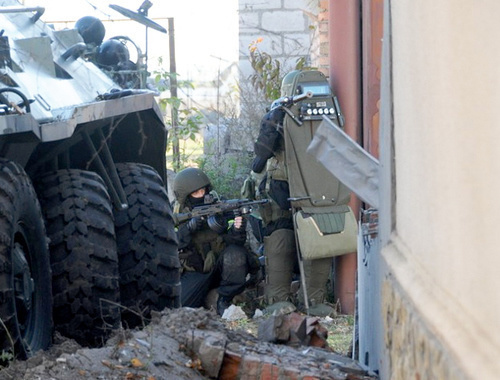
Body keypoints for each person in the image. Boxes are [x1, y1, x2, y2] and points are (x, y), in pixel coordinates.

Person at [251, 74, 336, 317]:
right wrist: (273, 121)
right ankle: (278, 299)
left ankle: (313, 300)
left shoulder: (329, 114)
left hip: (316, 187)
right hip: (281, 189)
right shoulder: (278, 114)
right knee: (280, 238)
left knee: (320, 238)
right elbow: (260, 157)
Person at [173, 167, 259, 316]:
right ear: (185, 196)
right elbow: (171, 245)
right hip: (194, 272)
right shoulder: (176, 213)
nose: (201, 195)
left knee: (236, 254)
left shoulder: (219, 205)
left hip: (221, 268)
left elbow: (233, 242)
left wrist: (237, 230)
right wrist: (188, 228)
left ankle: (224, 299)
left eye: (203, 190)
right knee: (182, 307)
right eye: (195, 192)